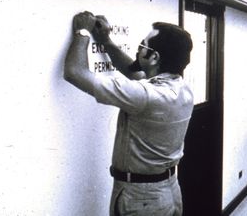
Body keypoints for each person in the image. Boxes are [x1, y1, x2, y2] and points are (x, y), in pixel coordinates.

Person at [64, 11, 194, 216]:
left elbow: (74, 72)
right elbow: (136, 73)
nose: (138, 49)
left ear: (155, 57)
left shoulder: (147, 96)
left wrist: (83, 31)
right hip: (166, 191)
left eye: (143, 46)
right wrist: (105, 41)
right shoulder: (181, 88)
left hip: (141, 199)